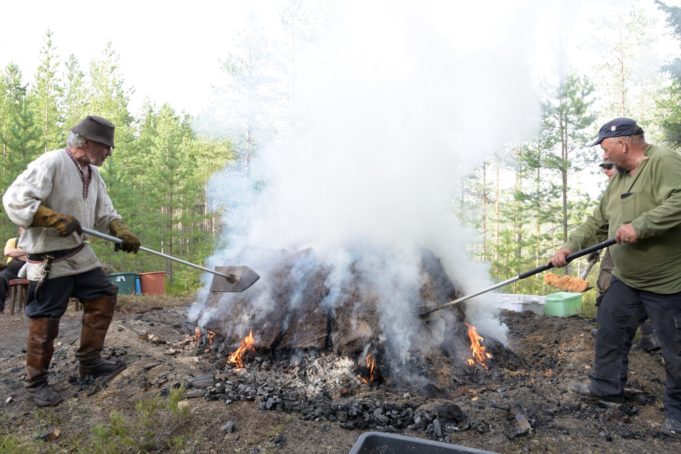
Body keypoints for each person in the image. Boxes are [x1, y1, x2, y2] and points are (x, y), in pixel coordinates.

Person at [550, 118, 681, 436]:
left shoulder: (664, 162)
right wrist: (570, 246)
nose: (604, 154)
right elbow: (598, 221)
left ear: (623, 144)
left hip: (667, 282)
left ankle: (677, 412)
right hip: (626, 278)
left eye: (605, 147)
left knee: (676, 351)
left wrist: (641, 225)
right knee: (610, 332)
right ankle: (606, 390)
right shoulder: (619, 177)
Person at [2, 115, 141, 407]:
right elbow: (15, 199)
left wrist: (120, 230)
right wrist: (51, 218)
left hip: (79, 254)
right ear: (86, 142)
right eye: (104, 146)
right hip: (48, 257)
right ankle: (36, 382)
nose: (108, 152)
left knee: (103, 296)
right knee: (45, 319)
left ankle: (89, 362)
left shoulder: (93, 174)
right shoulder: (52, 162)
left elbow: (104, 213)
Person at [0, 227, 28, 312]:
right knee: (0, 277)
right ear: (19, 231)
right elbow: (8, 252)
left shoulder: (36, 242)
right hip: (11, 272)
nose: (26, 231)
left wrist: (17, 253)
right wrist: (28, 251)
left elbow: (38, 257)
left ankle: (38, 311)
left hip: (30, 272)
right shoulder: (13, 241)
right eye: (24, 229)